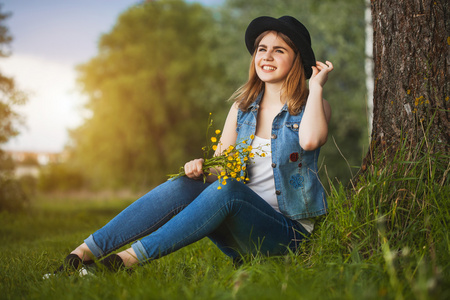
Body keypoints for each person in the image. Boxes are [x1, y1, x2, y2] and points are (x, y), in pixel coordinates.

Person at [51, 15, 333, 274]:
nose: (267, 56)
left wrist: (317, 85)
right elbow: (223, 169)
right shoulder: (242, 109)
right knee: (187, 183)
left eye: (279, 50)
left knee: (229, 191)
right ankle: (84, 253)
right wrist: (200, 170)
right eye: (262, 49)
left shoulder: (312, 106)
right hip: (242, 237)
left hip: (288, 238)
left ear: (297, 60)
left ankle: (125, 261)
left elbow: (310, 140)